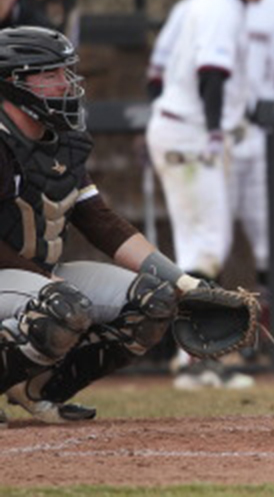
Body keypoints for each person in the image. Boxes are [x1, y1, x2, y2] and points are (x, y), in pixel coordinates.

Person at [0, 26, 205, 426]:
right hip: (11, 276)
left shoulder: (60, 138)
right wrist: (49, 286)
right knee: (62, 305)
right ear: (13, 82)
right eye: (52, 74)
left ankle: (39, 389)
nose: (66, 84)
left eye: (66, 72)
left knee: (154, 300)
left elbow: (100, 221)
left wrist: (187, 285)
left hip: (36, 278)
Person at [145, 0, 274, 389]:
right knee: (205, 246)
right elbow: (212, 74)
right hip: (191, 133)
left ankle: (195, 358)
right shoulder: (221, 7)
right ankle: (194, 361)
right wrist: (213, 132)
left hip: (190, 131)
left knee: (204, 245)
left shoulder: (221, 1)